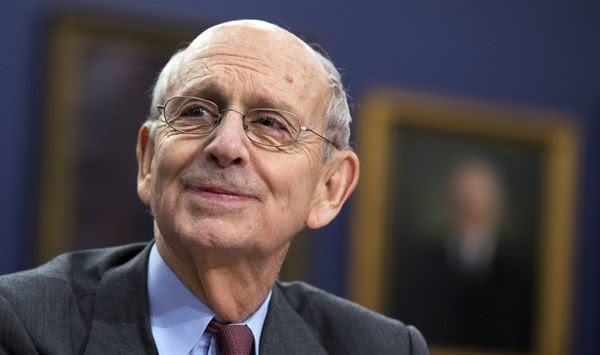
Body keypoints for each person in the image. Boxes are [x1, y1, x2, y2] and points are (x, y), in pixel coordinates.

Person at [0, 20, 428, 354]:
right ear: (148, 160)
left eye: (269, 123)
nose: (225, 145)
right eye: (195, 112)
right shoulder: (23, 324)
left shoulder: (382, 347)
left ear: (329, 187)